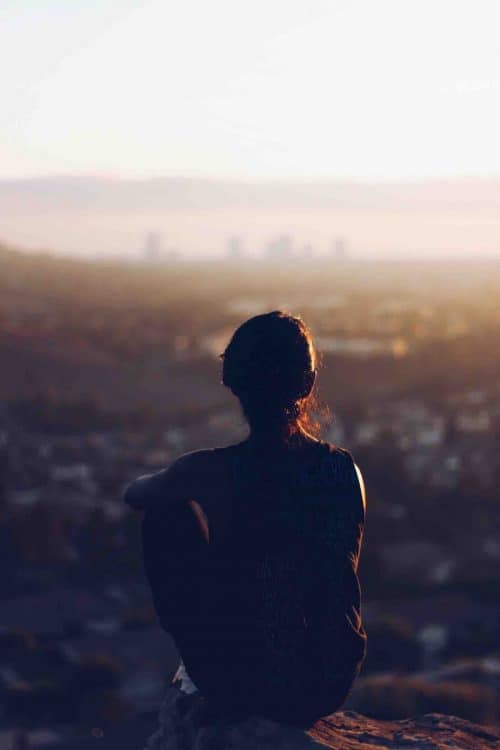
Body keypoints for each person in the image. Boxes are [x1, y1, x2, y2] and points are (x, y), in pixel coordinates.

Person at [124, 310, 367, 731]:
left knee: (165, 515)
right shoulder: (346, 471)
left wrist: (180, 476)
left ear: (232, 383)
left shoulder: (210, 471)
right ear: (308, 384)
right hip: (326, 682)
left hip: (236, 683)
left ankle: (202, 664)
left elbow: (136, 495)